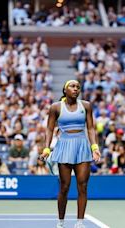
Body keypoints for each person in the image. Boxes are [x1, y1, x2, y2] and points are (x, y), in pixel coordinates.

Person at [40, 80, 101, 228]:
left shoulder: (86, 106)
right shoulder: (55, 107)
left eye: (78, 87)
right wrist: (47, 148)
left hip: (82, 146)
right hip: (64, 146)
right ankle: (61, 221)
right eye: (72, 86)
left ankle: (80, 222)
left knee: (83, 186)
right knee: (64, 187)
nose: (76, 89)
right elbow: (49, 129)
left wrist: (94, 147)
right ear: (64, 90)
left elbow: (91, 128)